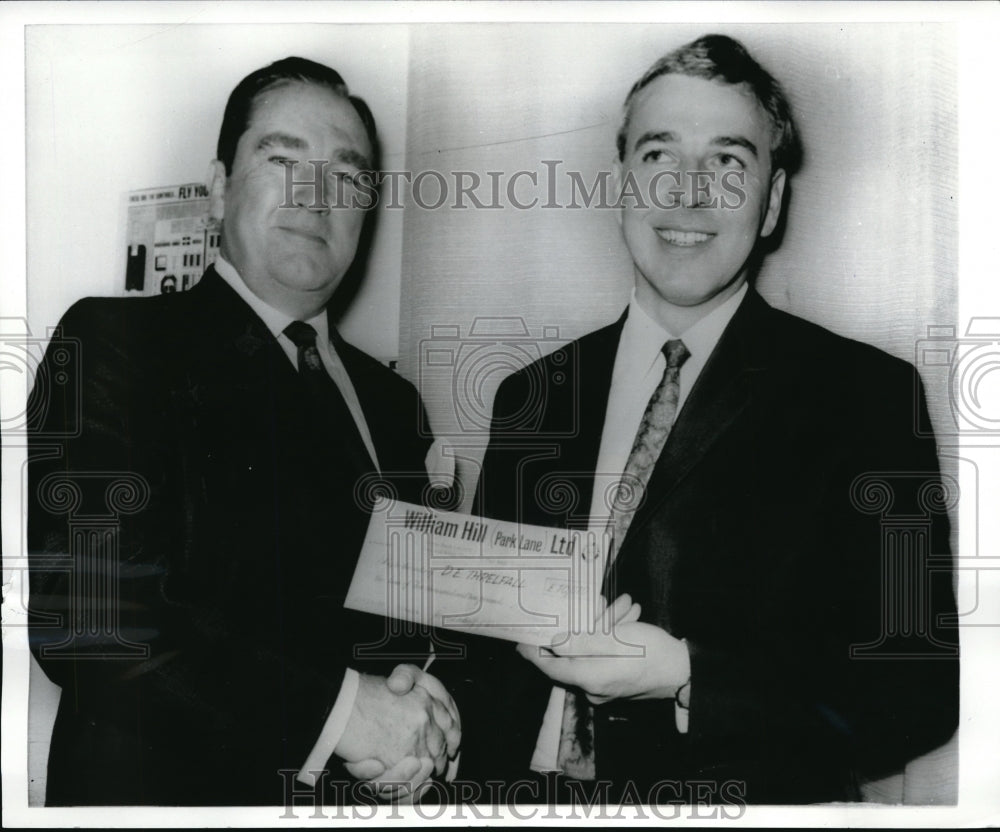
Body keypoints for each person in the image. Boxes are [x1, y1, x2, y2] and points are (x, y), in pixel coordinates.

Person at [459, 34, 959, 804]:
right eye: (660, 156)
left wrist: (687, 675)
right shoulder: (530, 396)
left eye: (729, 162)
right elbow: (483, 647)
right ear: (618, 184)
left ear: (774, 201)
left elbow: (916, 693)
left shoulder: (867, 397)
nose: (688, 193)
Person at [28, 57, 459, 806]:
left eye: (347, 176)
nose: (315, 196)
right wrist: (343, 713)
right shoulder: (113, 344)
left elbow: (404, 618)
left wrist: (433, 700)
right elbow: (91, 621)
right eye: (282, 158)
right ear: (221, 187)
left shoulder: (394, 404)